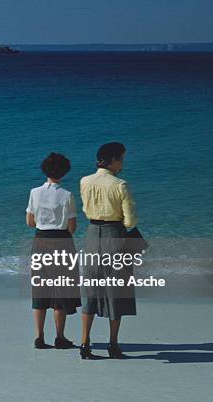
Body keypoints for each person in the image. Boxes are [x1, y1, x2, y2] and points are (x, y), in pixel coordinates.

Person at [79, 142, 138, 359]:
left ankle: (85, 343)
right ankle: (113, 344)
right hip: (114, 233)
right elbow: (130, 220)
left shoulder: (85, 181)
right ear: (113, 161)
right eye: (121, 159)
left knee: (92, 289)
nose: (123, 163)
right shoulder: (120, 184)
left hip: (93, 233)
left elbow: (85, 208)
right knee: (116, 290)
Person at [26, 152, 81, 349]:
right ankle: (60, 336)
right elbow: (72, 227)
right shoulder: (67, 195)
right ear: (64, 172)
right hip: (62, 242)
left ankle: (39, 337)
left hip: (41, 241)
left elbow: (30, 222)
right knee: (61, 290)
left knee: (40, 290)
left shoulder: (34, 192)